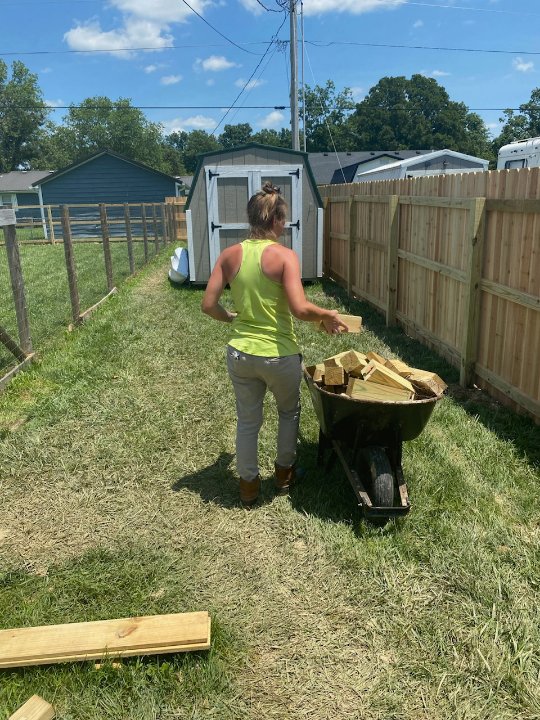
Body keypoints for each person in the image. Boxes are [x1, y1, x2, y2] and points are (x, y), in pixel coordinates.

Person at [202, 182, 348, 506]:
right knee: (288, 413)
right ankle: (284, 475)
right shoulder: (284, 256)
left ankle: (248, 487)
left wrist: (231, 319)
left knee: (248, 420)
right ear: (276, 220)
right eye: (284, 220)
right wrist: (326, 313)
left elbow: (208, 305)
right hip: (280, 356)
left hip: (240, 353)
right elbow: (300, 308)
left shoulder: (228, 254)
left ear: (251, 218)